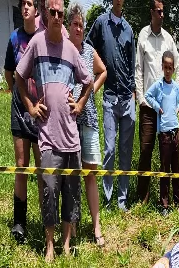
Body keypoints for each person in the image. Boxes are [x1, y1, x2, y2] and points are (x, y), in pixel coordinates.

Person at [15, 0, 92, 261]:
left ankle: (66, 244)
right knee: (49, 190)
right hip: (47, 136)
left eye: (61, 13)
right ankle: (49, 245)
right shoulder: (37, 44)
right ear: (46, 15)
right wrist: (30, 106)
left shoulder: (72, 49)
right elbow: (18, 76)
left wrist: (80, 103)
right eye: (53, 13)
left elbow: (89, 80)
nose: (57, 17)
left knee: (71, 192)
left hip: (71, 137)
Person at [88, 0, 136, 212]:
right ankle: (107, 200)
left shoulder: (128, 29)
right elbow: (87, 47)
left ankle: (122, 200)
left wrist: (134, 94)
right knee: (109, 150)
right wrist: (97, 70)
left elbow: (133, 64)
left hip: (127, 98)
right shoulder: (100, 23)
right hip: (109, 96)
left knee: (125, 151)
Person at [135, 0, 179, 206]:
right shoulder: (143, 36)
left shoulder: (168, 39)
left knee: (169, 156)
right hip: (148, 106)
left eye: (164, 12)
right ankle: (142, 198)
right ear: (152, 12)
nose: (162, 15)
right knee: (146, 151)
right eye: (159, 11)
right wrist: (141, 98)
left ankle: (169, 200)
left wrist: (175, 93)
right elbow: (138, 70)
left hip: (166, 111)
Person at [68, 3, 106, 247]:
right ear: (68, 27)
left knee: (90, 175)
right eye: (76, 25)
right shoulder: (62, 50)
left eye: (82, 25)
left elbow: (103, 71)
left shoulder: (88, 50)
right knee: (71, 176)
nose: (79, 29)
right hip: (68, 120)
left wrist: (91, 91)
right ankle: (70, 227)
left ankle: (96, 227)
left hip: (89, 117)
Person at [4, 0, 43, 241]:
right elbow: (9, 72)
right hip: (20, 111)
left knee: (42, 168)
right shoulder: (14, 38)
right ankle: (20, 223)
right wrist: (17, 95)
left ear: (37, 9)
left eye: (30, 3)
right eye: (23, 4)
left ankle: (45, 219)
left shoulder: (43, 36)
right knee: (21, 166)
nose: (25, 7)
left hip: (41, 112)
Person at [144, 50, 179, 216]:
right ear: (162, 68)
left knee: (176, 168)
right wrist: (156, 106)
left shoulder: (175, 87)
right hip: (164, 135)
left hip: (175, 132)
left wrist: (178, 107)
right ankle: (164, 204)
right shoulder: (158, 86)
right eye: (165, 67)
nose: (168, 70)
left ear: (173, 69)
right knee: (164, 168)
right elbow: (147, 95)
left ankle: (177, 203)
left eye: (170, 68)